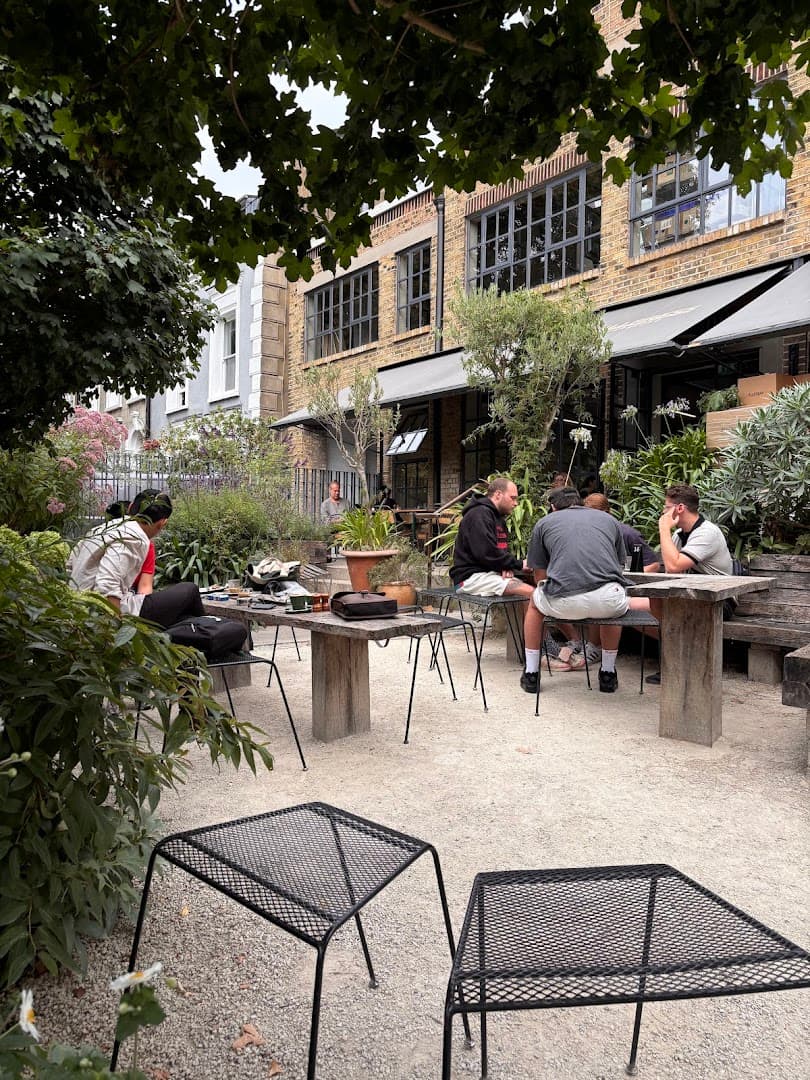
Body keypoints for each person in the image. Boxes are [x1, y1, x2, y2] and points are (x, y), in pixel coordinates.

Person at [522, 487, 629, 695]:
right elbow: (618, 566)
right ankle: (607, 673)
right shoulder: (610, 520)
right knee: (614, 607)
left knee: (534, 603)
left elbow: (539, 576)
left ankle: (531, 673)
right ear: (579, 502)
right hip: (605, 602)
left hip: (562, 602)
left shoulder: (544, 523)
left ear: (553, 507)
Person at [69, 492, 204, 629]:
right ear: (162, 523)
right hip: (104, 614)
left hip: (78, 605)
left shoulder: (102, 528)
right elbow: (107, 583)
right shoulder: (134, 536)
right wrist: (114, 629)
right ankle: (208, 628)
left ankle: (201, 631)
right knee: (190, 590)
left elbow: (69, 565)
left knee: (185, 618)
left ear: (131, 507)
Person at [643, 483, 732, 684]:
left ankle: (682, 667)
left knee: (671, 609)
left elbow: (674, 566)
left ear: (680, 508)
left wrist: (663, 528)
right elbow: (671, 573)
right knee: (655, 599)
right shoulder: (678, 535)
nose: (663, 513)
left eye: (666, 508)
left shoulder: (707, 533)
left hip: (719, 600)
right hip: (691, 595)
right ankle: (676, 665)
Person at [450, 478, 534, 600]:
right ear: (498, 494)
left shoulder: (498, 518)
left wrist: (504, 567)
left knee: (532, 589)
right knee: (531, 592)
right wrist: (520, 564)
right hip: (470, 578)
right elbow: (487, 553)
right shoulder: (478, 514)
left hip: (488, 574)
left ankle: (524, 614)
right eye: (512, 498)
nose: (516, 503)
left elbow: (499, 552)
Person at [583, 493, 660, 573]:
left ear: (607, 514)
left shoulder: (627, 534)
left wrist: (629, 577)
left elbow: (653, 565)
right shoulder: (585, 535)